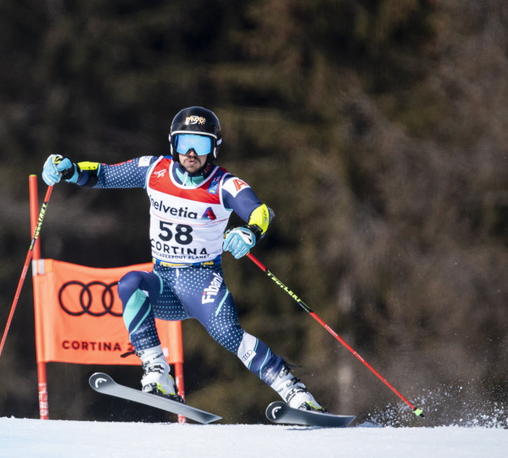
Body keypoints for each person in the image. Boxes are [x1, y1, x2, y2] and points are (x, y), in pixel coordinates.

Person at [41, 106, 326, 412]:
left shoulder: (223, 184)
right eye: (183, 143)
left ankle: (295, 393)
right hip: (163, 282)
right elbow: (103, 174)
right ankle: (158, 372)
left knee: (229, 334)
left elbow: (259, 211)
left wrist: (250, 233)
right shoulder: (154, 169)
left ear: (213, 148)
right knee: (130, 283)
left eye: (201, 145)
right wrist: (68, 169)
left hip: (201, 282)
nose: (191, 153)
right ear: (172, 144)